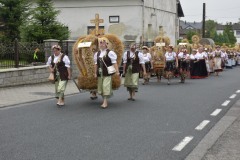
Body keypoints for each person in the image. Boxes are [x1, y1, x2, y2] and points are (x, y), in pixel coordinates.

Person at [94, 37, 119, 109]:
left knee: (105, 86)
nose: (101, 44)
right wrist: (95, 73)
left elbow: (114, 63)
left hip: (107, 73)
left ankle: (105, 102)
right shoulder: (97, 54)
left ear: (106, 44)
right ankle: (104, 99)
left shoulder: (110, 53)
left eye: (103, 43)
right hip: (100, 73)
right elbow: (96, 64)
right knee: (101, 88)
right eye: (100, 43)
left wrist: (117, 72)